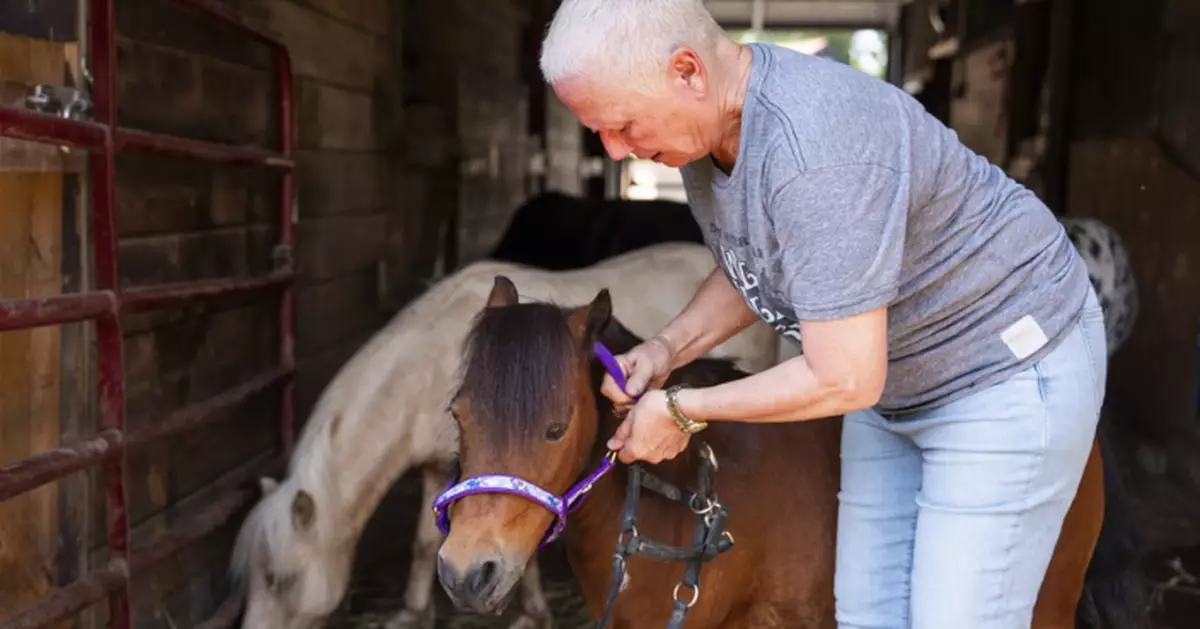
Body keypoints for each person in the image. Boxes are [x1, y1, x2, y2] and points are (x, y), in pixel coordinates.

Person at [537, 1, 1108, 629]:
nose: (616, 152)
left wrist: (681, 408)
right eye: (600, 133)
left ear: (688, 72)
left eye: (622, 125)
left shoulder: (817, 150)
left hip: (1002, 365)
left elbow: (844, 377)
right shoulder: (711, 133)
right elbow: (759, 258)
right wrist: (668, 350)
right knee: (867, 616)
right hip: (897, 380)